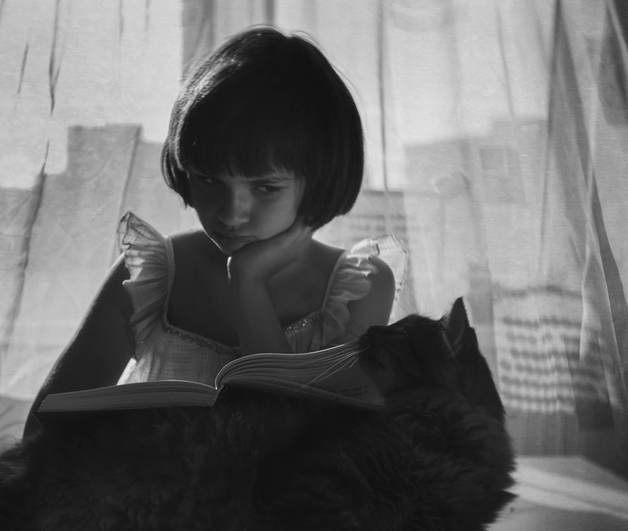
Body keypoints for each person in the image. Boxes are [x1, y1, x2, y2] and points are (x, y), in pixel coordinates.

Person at [23, 26, 396, 436]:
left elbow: (298, 441)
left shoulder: (360, 287)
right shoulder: (151, 276)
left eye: (265, 188)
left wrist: (248, 282)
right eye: (209, 180)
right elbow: (42, 430)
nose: (231, 215)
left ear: (318, 182)